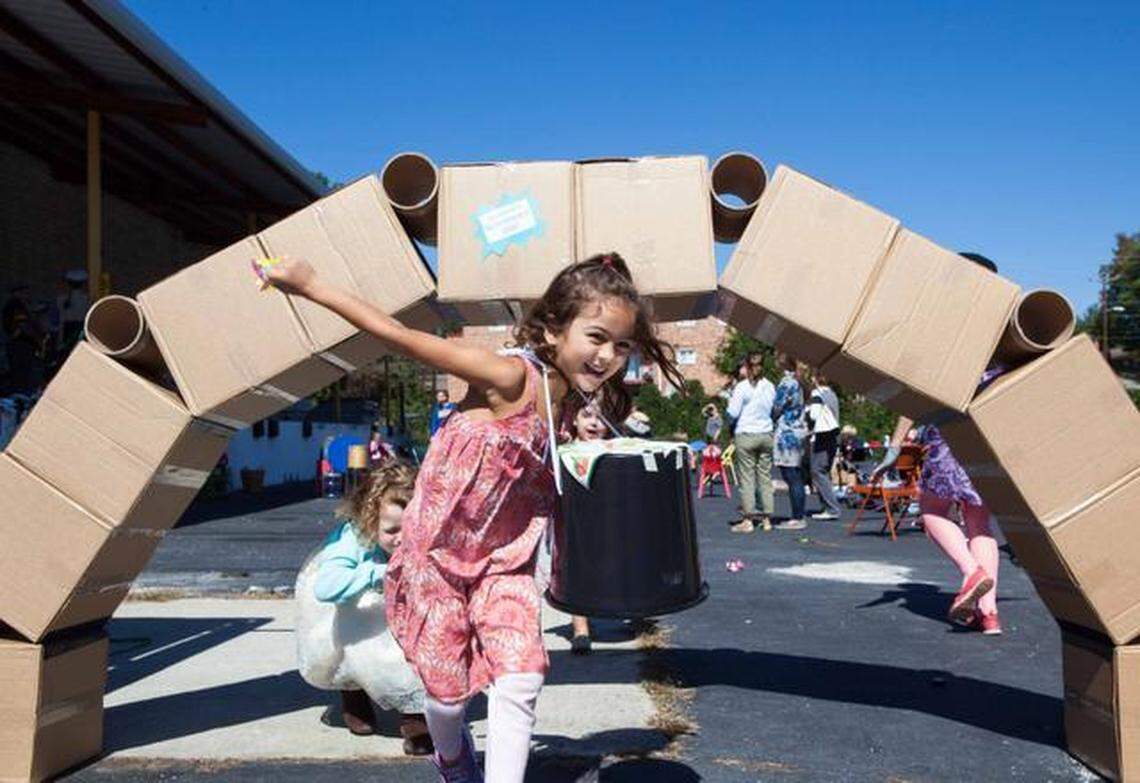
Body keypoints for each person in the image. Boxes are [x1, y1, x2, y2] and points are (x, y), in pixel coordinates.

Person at [266, 252, 683, 783]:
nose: (608, 356)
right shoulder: (509, 377)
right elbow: (400, 336)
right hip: (435, 560)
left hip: (502, 566)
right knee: (443, 697)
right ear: (554, 331)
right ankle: (452, 755)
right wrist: (311, 283)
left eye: (622, 346)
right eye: (597, 337)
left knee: (521, 679)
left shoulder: (576, 405)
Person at [872, 250, 1005, 635]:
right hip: (992, 437)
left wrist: (896, 445)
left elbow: (914, 393)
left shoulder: (945, 329)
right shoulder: (1002, 332)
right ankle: (990, 615)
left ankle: (971, 572)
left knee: (932, 514)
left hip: (952, 437)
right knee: (980, 524)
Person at [294, 461, 434, 755]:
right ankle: (353, 693)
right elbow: (327, 587)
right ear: (371, 520)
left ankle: (415, 716)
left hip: (397, 609)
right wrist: (376, 574)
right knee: (364, 630)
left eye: (410, 527)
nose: (401, 537)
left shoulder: (415, 539)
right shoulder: (354, 539)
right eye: (392, 529)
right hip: (350, 607)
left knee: (418, 642)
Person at [567, 400, 609, 656]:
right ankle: (580, 629)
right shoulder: (567, 450)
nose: (594, 422)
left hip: (607, 519)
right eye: (587, 416)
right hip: (577, 520)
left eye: (601, 418)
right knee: (578, 571)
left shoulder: (614, 448)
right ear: (574, 420)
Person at [726, 352, 776, 532]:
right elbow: (773, 409)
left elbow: (732, 413)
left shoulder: (742, 387)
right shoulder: (770, 386)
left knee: (747, 478)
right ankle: (767, 519)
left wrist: (728, 426)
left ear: (747, 367)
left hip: (746, 433)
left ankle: (748, 520)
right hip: (766, 433)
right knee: (765, 477)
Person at [772, 353, 810, 530]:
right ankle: (798, 514)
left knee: (791, 476)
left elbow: (777, 407)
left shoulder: (787, 383)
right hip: (799, 431)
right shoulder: (801, 383)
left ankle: (797, 517)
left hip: (787, 433)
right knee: (796, 476)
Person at [806, 372, 842, 520]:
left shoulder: (817, 393)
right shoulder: (832, 394)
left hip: (821, 435)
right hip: (833, 436)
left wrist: (806, 411)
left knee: (817, 470)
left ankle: (832, 508)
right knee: (824, 470)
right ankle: (827, 506)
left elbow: (814, 415)